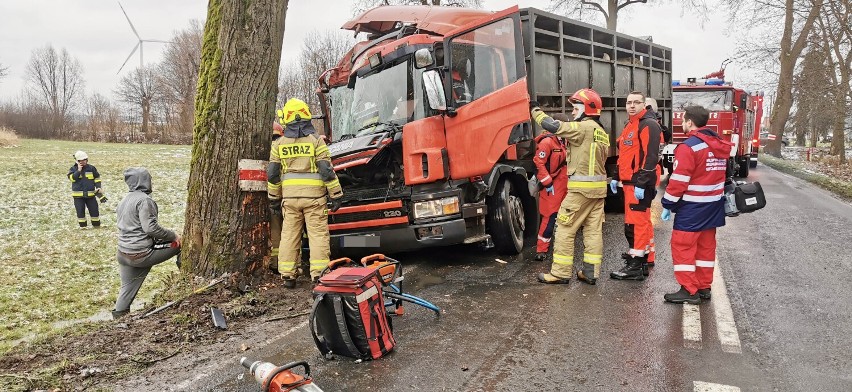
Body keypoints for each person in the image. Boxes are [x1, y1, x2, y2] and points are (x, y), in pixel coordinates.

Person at [530, 88, 610, 285]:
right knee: (592, 232)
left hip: (580, 191)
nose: (573, 113)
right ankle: (590, 273)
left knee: (564, 228)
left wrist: (534, 110)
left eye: (575, 108)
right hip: (598, 192)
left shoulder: (582, 128)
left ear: (586, 109)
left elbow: (552, 125)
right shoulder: (601, 132)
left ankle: (560, 273)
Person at [268, 98, 344, 288]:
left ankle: (287, 275)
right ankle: (319, 274)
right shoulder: (316, 141)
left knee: (289, 235)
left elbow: (272, 174)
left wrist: (274, 199)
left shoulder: (279, 145)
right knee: (317, 235)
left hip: (290, 200)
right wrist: (336, 195)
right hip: (315, 200)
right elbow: (326, 170)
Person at [660, 105, 732, 304]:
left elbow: (678, 181)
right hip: (713, 207)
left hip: (692, 208)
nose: (682, 123)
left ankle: (689, 290)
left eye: (683, 120)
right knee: (705, 249)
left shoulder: (689, 147)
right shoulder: (717, 145)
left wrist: (667, 204)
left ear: (689, 122)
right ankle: (703, 287)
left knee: (682, 246)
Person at [112, 167, 181, 319]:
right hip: (141, 254)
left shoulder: (124, 200)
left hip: (123, 253)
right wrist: (173, 235)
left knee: (126, 289)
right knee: (182, 245)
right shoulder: (144, 200)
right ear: (144, 181)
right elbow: (150, 228)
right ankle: (188, 278)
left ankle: (118, 322)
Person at [610, 91, 662, 281]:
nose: (632, 105)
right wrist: (616, 176)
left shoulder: (648, 125)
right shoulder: (629, 125)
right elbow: (623, 154)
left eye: (636, 102)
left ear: (643, 104)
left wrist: (642, 182)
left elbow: (651, 157)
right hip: (629, 183)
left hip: (638, 183)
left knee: (637, 225)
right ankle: (639, 260)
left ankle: (636, 266)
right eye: (629, 102)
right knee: (633, 224)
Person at [532, 114, 569, 261]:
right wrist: (547, 183)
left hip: (563, 184)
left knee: (565, 217)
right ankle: (541, 249)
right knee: (550, 216)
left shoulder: (564, 141)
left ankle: (560, 247)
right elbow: (538, 163)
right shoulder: (547, 142)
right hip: (552, 186)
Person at [68, 150, 102, 229]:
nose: (83, 162)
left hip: (91, 195)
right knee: (80, 212)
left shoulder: (91, 168)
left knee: (94, 211)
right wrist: (78, 171)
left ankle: (96, 225)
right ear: (77, 161)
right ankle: (83, 227)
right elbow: (72, 179)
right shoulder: (73, 169)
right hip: (78, 197)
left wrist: (98, 187)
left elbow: (97, 178)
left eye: (84, 160)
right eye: (81, 160)